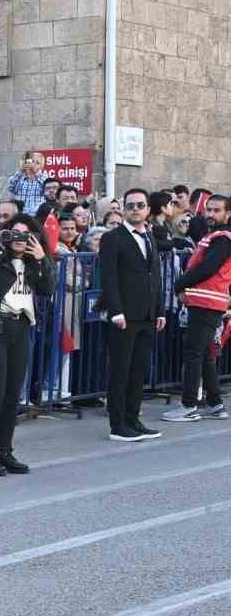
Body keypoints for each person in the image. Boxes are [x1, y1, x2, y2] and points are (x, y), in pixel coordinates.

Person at [0, 214, 55, 476]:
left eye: (25, 235)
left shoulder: (33, 263)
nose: (19, 239)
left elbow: (47, 289)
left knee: (13, 395)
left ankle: (4, 451)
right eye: (14, 233)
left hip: (22, 328)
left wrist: (41, 258)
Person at [99, 187, 165, 442]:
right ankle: (118, 425)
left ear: (148, 209)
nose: (135, 209)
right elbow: (109, 278)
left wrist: (159, 310)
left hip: (147, 315)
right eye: (130, 205)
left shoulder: (150, 237)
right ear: (123, 209)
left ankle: (133, 418)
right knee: (120, 371)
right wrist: (116, 311)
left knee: (138, 371)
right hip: (124, 315)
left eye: (140, 205)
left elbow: (155, 276)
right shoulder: (113, 238)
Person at [162, 193, 231, 423]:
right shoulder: (215, 235)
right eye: (208, 209)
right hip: (207, 301)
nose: (210, 214)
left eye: (216, 210)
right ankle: (215, 403)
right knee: (205, 355)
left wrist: (180, 283)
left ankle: (189, 405)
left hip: (206, 302)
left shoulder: (223, 238)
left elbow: (209, 267)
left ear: (227, 214)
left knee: (193, 353)